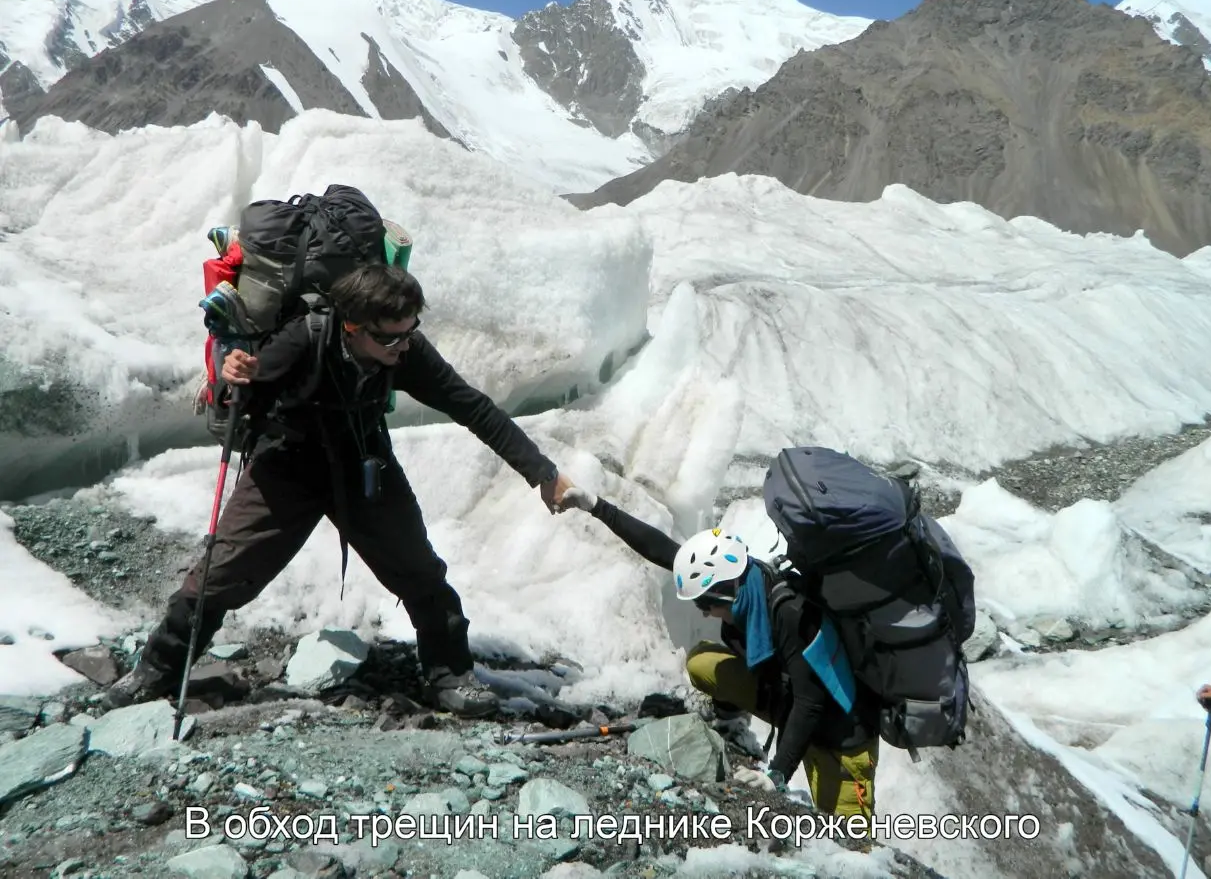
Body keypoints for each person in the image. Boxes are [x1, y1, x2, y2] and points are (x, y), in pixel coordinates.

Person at [106, 265, 574, 718]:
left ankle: (450, 674)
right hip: (287, 464)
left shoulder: (406, 349)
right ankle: (157, 669)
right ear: (351, 326)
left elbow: (471, 405)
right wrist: (234, 375)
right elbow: (240, 394)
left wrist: (542, 473)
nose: (402, 344)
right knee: (220, 573)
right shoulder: (301, 340)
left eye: (410, 331)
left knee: (419, 570)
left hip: (362, 458)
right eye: (390, 336)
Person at [558, 486, 882, 819]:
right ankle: (731, 721)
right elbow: (663, 550)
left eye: (704, 603)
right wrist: (596, 506)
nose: (701, 612)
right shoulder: (740, 578)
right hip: (787, 698)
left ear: (726, 596)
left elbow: (811, 702)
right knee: (702, 662)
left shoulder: (789, 613)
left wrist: (777, 773)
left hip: (840, 734)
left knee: (847, 837)